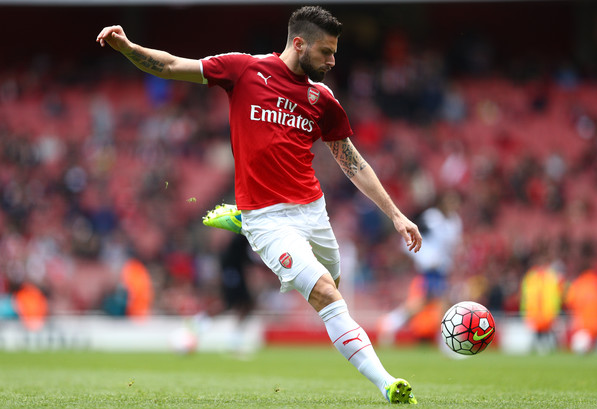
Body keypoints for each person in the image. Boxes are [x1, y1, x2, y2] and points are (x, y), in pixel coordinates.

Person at [97, 6, 421, 404]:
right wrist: (128, 47)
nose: (333, 60)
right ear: (299, 44)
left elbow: (352, 162)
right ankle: (388, 383)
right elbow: (170, 66)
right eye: (326, 52)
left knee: (332, 287)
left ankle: (242, 221)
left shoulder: (322, 99)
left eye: (335, 52)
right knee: (326, 295)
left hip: (313, 212)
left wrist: (396, 214)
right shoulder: (244, 70)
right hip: (269, 217)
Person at [378, 190, 462, 345]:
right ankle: (445, 339)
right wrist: (425, 259)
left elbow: (451, 247)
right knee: (442, 299)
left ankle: (392, 321)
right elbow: (411, 236)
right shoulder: (432, 219)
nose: (453, 205)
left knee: (426, 300)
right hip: (430, 267)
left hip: (443, 267)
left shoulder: (455, 221)